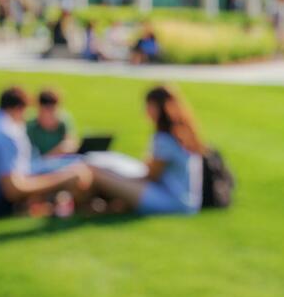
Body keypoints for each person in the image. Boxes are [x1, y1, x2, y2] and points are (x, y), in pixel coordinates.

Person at [0, 87, 92, 219]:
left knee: (40, 170)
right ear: (18, 109)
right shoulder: (6, 131)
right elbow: (14, 189)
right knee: (48, 176)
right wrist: (64, 179)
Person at [87, 86, 203, 216]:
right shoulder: (182, 131)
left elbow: (151, 176)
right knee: (108, 170)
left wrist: (121, 178)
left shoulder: (165, 138)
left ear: (157, 107)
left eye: (148, 106)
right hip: (184, 199)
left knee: (97, 172)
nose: (146, 111)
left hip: (174, 202)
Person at [26, 89, 77, 158]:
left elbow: (71, 144)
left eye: (51, 112)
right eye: (43, 113)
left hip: (59, 161)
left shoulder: (63, 122)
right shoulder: (31, 125)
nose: (48, 117)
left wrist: (49, 156)